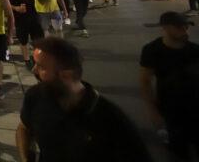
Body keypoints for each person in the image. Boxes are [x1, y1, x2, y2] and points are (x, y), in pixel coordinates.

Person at [17, 37, 152, 162]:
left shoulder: (111, 121)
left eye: (41, 66)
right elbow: (24, 128)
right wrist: (25, 158)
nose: (34, 70)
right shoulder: (36, 96)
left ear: (66, 75)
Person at [140, 11, 199, 159]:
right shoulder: (152, 50)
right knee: (179, 150)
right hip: (171, 109)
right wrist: (153, 111)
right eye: (179, 27)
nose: (185, 30)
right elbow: (145, 81)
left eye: (186, 26)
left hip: (195, 105)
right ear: (165, 28)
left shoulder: (194, 50)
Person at [10, 0, 44, 69]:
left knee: (37, 40)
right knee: (23, 40)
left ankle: (37, 58)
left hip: (33, 18)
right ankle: (27, 60)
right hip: (20, 20)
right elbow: (6, 4)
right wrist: (16, 8)